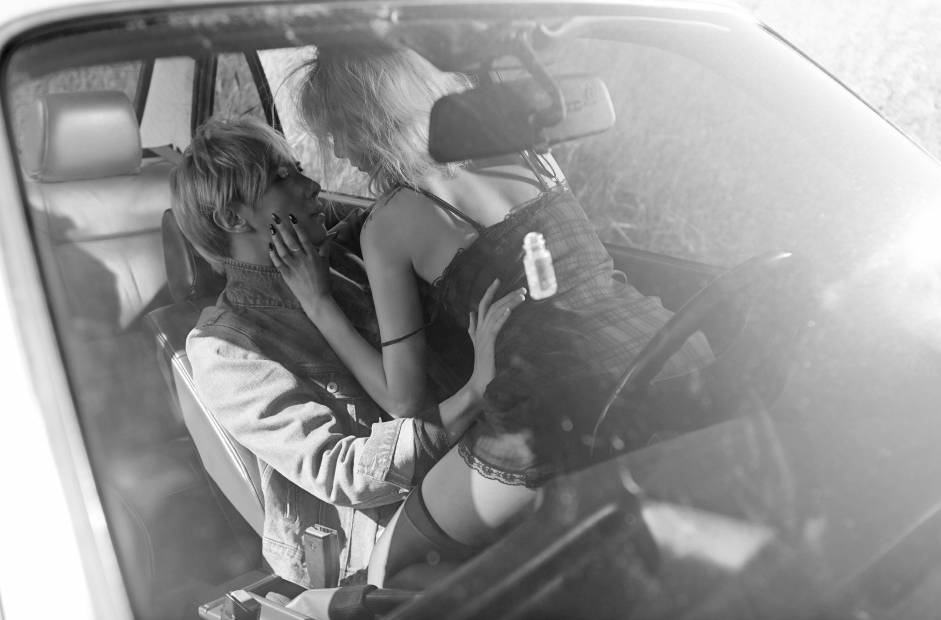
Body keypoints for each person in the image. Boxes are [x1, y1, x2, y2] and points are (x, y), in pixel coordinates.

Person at [273, 43, 716, 586]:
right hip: (670, 349)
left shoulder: (390, 222)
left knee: (388, 568)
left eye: (339, 132)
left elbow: (403, 400)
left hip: (559, 405)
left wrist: (318, 302)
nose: (341, 153)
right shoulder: (529, 150)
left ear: (369, 124)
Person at [170, 115, 524, 588]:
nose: (312, 186)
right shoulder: (226, 349)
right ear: (235, 218)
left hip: (472, 463)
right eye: (282, 179)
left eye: (298, 169)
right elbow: (343, 472)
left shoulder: (339, 253)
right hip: (378, 541)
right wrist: (472, 397)